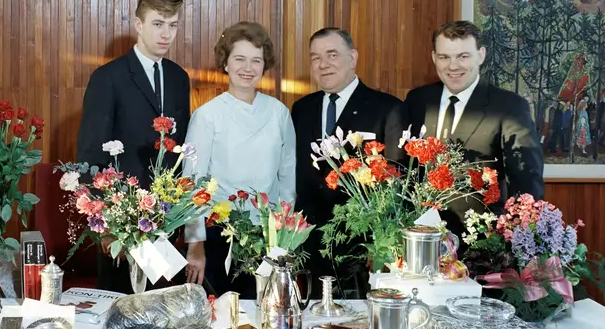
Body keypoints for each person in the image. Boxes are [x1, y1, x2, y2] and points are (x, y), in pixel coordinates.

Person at [75, 0, 191, 293]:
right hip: (120, 221)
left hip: (166, 220)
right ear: (138, 25)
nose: (166, 33)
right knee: (118, 314)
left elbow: (179, 147)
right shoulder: (108, 77)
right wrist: (103, 223)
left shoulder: (180, 78)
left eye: (173, 25)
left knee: (163, 318)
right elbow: (90, 153)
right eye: (158, 24)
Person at [290, 28, 406, 294]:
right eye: (315, 57)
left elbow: (396, 179)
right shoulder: (302, 108)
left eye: (332, 55)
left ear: (352, 58)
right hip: (310, 244)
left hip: (361, 248)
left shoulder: (387, 108)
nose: (323, 64)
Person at [183, 22, 295, 299]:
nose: (248, 68)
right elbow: (193, 183)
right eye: (240, 59)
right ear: (226, 63)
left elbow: (287, 177)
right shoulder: (207, 115)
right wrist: (195, 245)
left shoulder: (279, 113)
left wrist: (284, 236)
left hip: (266, 237)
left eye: (256, 60)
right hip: (217, 236)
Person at [404, 20, 544, 230]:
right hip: (421, 238)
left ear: (481, 55)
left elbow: (526, 181)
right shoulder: (417, 100)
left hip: (481, 244)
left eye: (463, 56)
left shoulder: (510, 107)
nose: (453, 66)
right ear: (434, 57)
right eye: (444, 57)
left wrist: (519, 236)